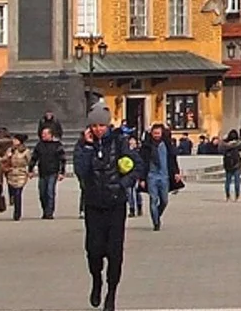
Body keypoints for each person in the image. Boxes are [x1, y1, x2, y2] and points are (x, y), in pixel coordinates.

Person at [75, 103, 136, 311]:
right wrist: (87, 146)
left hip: (116, 204)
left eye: (102, 125)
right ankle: (96, 281)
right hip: (93, 205)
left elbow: (136, 166)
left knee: (114, 252)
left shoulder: (120, 143)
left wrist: (123, 185)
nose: (98, 129)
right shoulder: (83, 145)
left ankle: (111, 292)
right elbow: (80, 171)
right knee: (93, 250)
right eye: (95, 125)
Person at [138, 123, 181, 229]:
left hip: (164, 176)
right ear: (151, 133)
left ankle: (157, 214)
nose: (156, 135)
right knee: (153, 199)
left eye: (158, 133)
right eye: (155, 133)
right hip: (151, 176)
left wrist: (176, 172)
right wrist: (142, 178)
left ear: (162, 134)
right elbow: (142, 163)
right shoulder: (146, 147)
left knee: (164, 200)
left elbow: (172, 159)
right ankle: (156, 222)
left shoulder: (167, 145)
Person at [32, 126, 67, 219]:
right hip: (42, 172)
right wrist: (30, 169)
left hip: (53, 172)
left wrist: (62, 172)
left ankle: (49, 212)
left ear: (50, 135)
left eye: (45, 134)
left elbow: (62, 159)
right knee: (42, 193)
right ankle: (44, 210)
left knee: (50, 192)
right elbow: (34, 157)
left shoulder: (57, 145)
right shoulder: (39, 145)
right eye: (42, 134)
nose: (43, 135)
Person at [1, 135, 32, 221]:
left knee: (18, 192)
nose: (13, 141)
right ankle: (13, 201)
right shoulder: (10, 150)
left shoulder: (25, 151)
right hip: (11, 173)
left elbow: (30, 162)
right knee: (13, 192)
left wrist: (30, 171)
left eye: (15, 140)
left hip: (21, 173)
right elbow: (3, 159)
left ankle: (17, 213)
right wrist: (7, 156)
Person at [220, 132, 241, 201]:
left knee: (228, 181)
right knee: (237, 180)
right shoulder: (237, 144)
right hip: (236, 164)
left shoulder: (225, 145)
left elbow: (220, 148)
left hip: (228, 165)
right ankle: (237, 196)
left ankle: (228, 196)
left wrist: (223, 140)